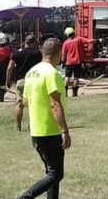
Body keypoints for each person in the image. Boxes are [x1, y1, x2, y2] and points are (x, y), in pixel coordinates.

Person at [18, 38, 71, 199]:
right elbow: (55, 104)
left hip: (36, 129)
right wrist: (64, 130)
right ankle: (25, 197)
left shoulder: (31, 72)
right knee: (56, 174)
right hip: (50, 130)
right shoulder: (52, 73)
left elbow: (25, 101)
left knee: (51, 171)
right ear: (59, 53)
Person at [8, 35, 43, 131]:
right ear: (34, 43)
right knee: (33, 104)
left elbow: (10, 67)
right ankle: (31, 125)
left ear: (25, 42)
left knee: (19, 104)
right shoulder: (37, 54)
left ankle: (18, 126)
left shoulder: (17, 54)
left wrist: (8, 80)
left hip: (21, 81)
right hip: (34, 80)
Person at [60, 27, 93, 97]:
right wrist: (97, 40)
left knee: (67, 77)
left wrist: (63, 61)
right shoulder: (79, 39)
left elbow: (63, 54)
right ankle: (74, 93)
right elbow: (88, 41)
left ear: (67, 34)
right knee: (76, 77)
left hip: (69, 63)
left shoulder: (65, 43)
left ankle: (65, 93)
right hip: (78, 62)